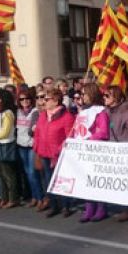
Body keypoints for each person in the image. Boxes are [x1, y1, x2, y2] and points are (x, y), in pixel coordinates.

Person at [70, 82, 110, 222]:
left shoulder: (100, 111)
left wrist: (88, 139)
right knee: (85, 179)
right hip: (82, 150)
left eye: (84, 94)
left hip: (95, 150)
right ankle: (89, 207)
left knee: (96, 180)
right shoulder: (83, 111)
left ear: (92, 94)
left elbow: (103, 132)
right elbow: (76, 129)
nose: (82, 97)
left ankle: (101, 208)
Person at [33, 86, 75, 218]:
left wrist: (58, 152)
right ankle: (54, 205)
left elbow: (69, 136)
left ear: (56, 101)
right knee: (48, 180)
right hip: (44, 152)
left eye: (47, 99)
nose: (44, 101)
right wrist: (37, 149)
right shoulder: (43, 115)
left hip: (59, 155)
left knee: (61, 181)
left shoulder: (66, 116)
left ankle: (65, 205)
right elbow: (38, 133)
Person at [104, 85, 128, 221]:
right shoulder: (107, 111)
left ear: (116, 97)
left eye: (108, 95)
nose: (104, 98)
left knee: (125, 180)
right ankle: (122, 205)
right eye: (104, 95)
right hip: (111, 149)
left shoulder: (127, 112)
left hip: (123, 150)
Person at [0, 89, 20, 209]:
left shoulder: (8, 113)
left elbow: (5, 132)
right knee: (0, 173)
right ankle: (4, 197)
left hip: (7, 145)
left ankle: (13, 198)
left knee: (8, 174)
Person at [16, 90, 41, 207]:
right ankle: (34, 197)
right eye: (21, 99)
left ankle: (39, 197)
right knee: (27, 173)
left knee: (32, 173)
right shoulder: (18, 112)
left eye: (26, 98)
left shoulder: (35, 112)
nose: (24, 101)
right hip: (21, 146)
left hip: (31, 146)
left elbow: (33, 130)